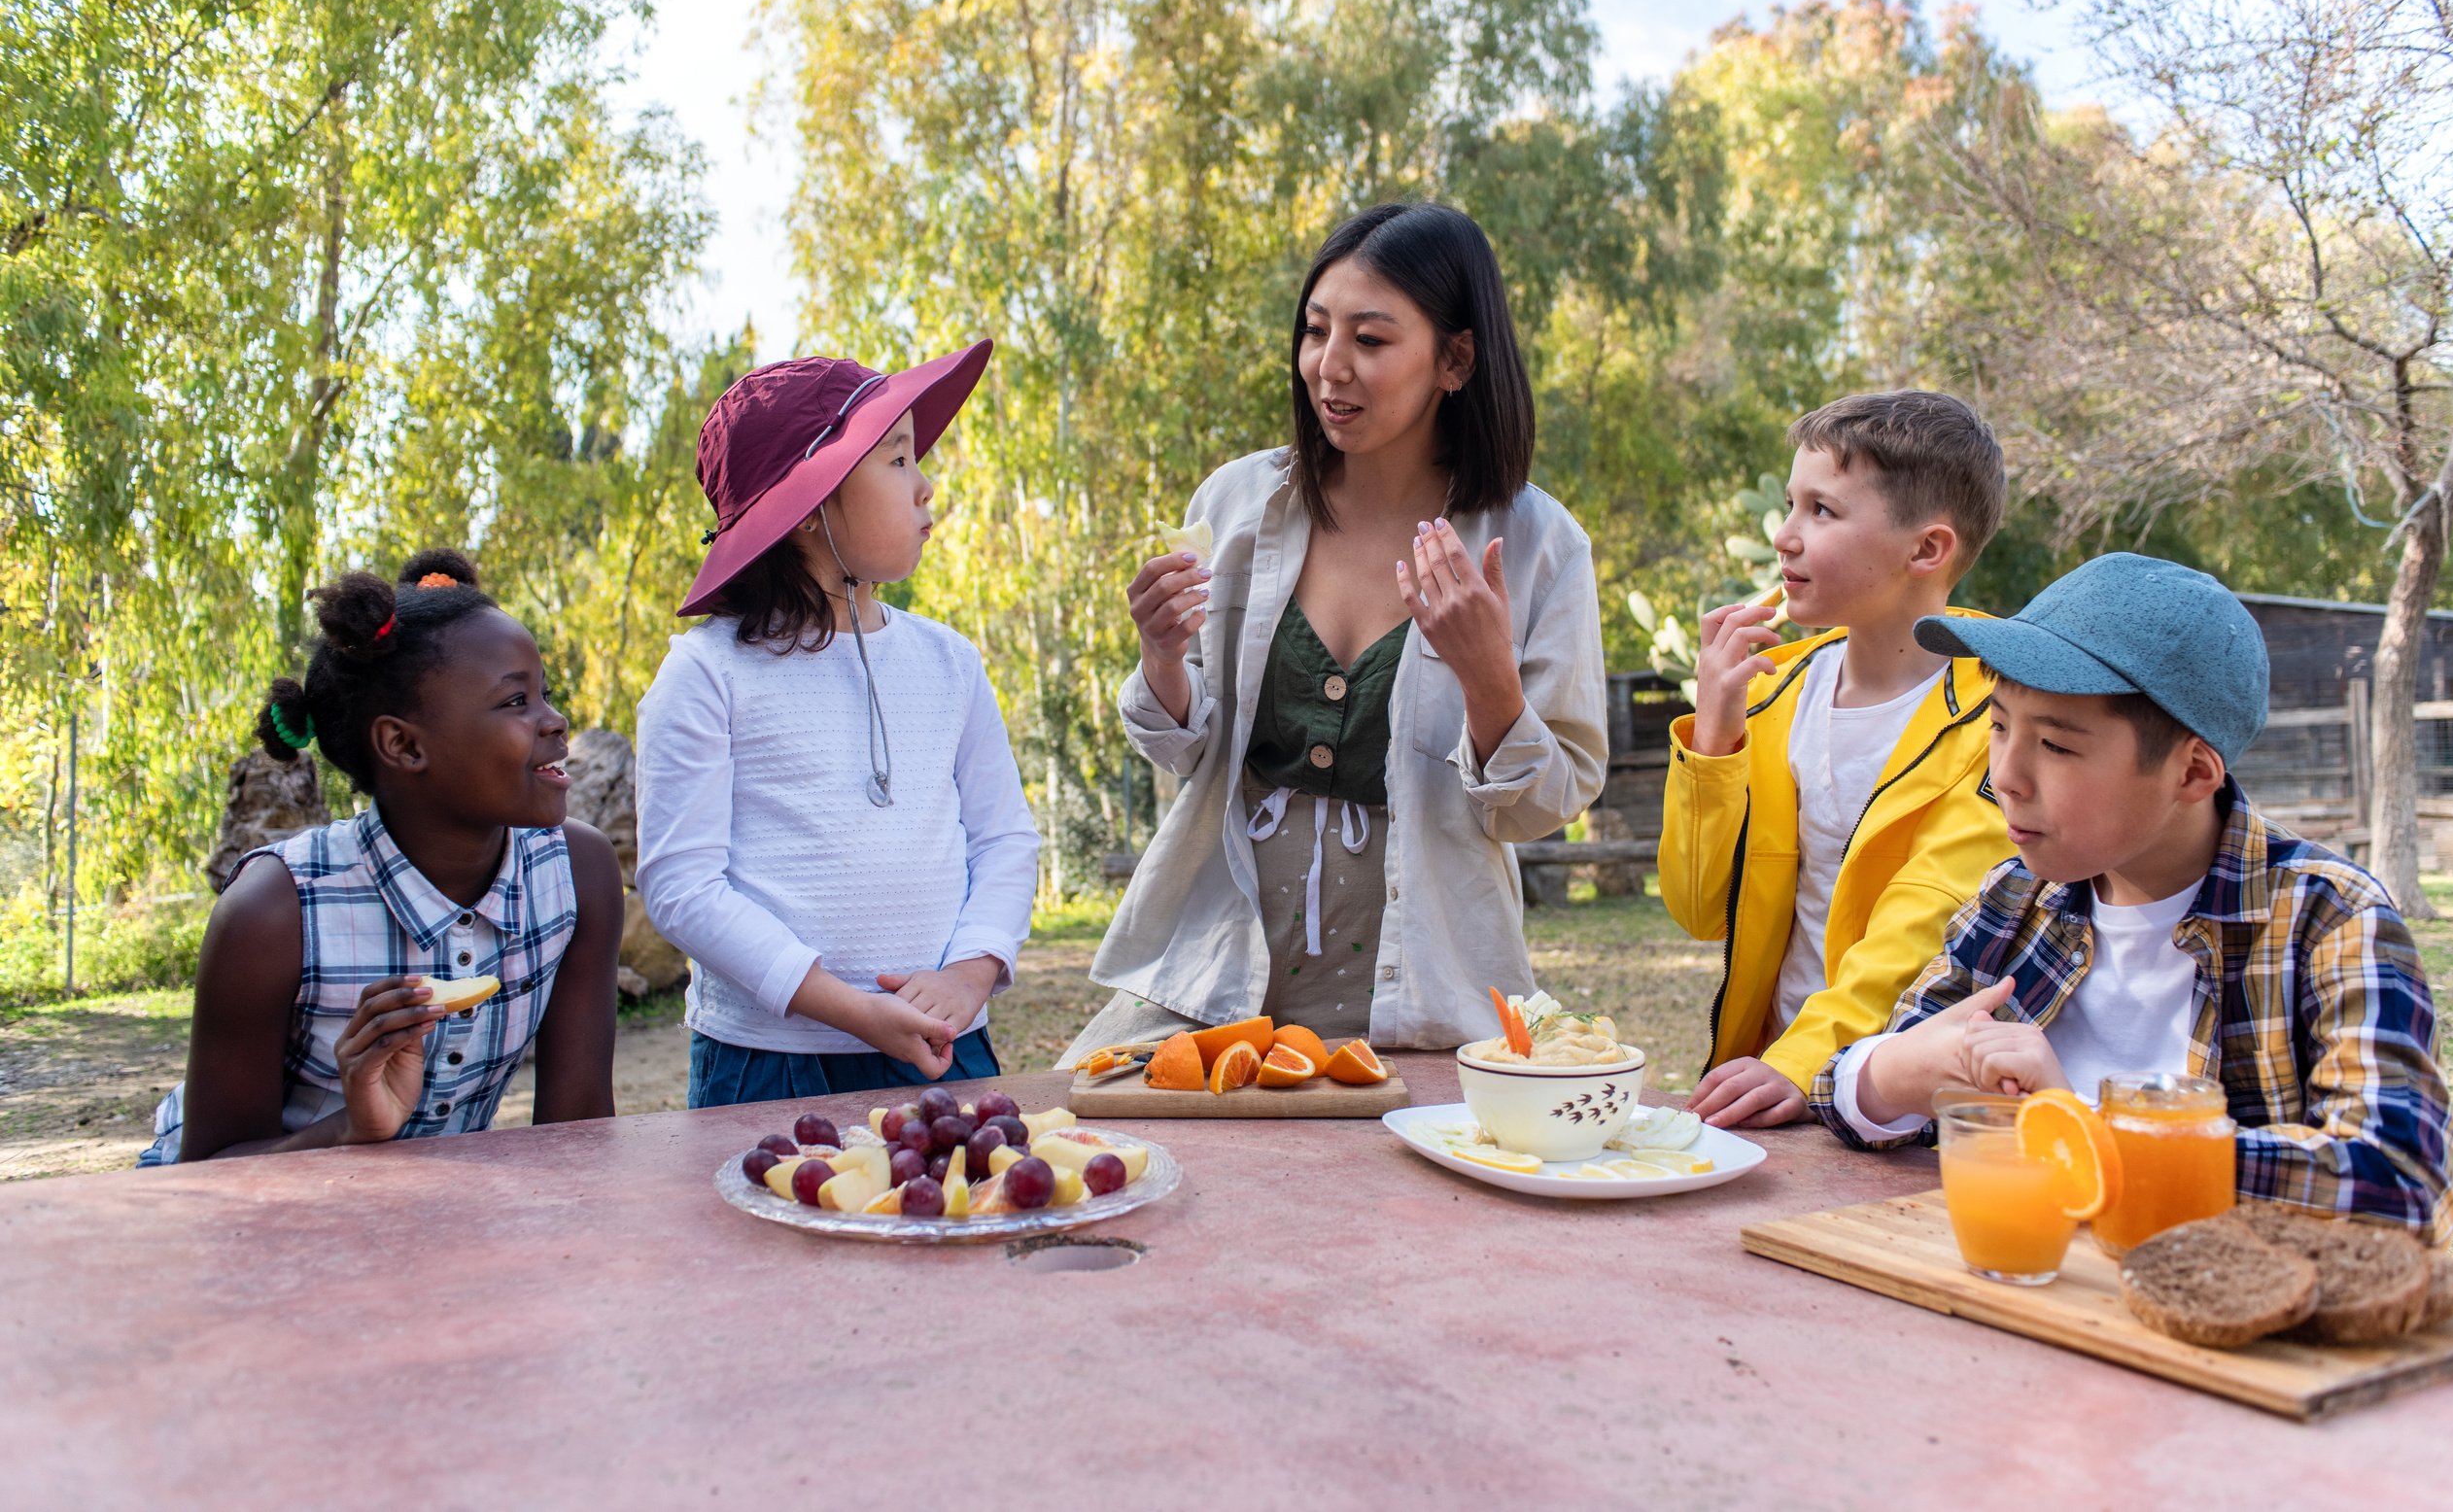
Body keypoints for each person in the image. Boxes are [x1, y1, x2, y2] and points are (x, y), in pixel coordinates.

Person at [1063, 202, 1607, 1059]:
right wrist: (1161, 656)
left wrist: (1487, 680)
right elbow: (1184, 750)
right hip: (1219, 973)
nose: (1329, 367)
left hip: (1424, 991)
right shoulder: (1237, 505)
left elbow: (1543, 806)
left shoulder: (1538, 544)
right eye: (1316, 331)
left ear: (1456, 359)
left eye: (1372, 339)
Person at [1813, 554, 2453, 1239]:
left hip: (2216, 1321)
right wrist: (1893, 1074)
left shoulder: (2329, 918)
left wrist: (2089, 1137)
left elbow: (2403, 1181)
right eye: (2000, 726)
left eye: (2057, 747)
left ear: (2192, 771)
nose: (2006, 776)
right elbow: (1847, 1094)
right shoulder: (2018, 900)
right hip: (2016, 1296)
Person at [636, 343, 1041, 1108]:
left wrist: (972, 970)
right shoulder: (707, 675)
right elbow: (682, 886)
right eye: (895, 461)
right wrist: (849, 1010)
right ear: (810, 506)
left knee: (958, 1221)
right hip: (770, 1062)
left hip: (943, 1047)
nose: (926, 486)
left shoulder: (950, 663)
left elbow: (1004, 839)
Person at [141, 551, 621, 1165]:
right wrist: (350, 1129)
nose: (555, 721)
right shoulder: (274, 912)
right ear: (402, 744)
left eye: (544, 695)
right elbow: (209, 1172)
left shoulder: (576, 872)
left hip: (428, 1212)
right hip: (257, 1216)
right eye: (515, 702)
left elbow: (576, 1135)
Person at [1661, 392, 2014, 1128]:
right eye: (1790, 504)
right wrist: (1716, 738)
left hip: (1911, 1098)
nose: (1786, 537)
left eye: (1821, 511)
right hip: (1767, 1081)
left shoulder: (2000, 712)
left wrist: (1801, 1061)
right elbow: (1699, 908)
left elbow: (1928, 926)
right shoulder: (1772, 690)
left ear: (1926, 550)